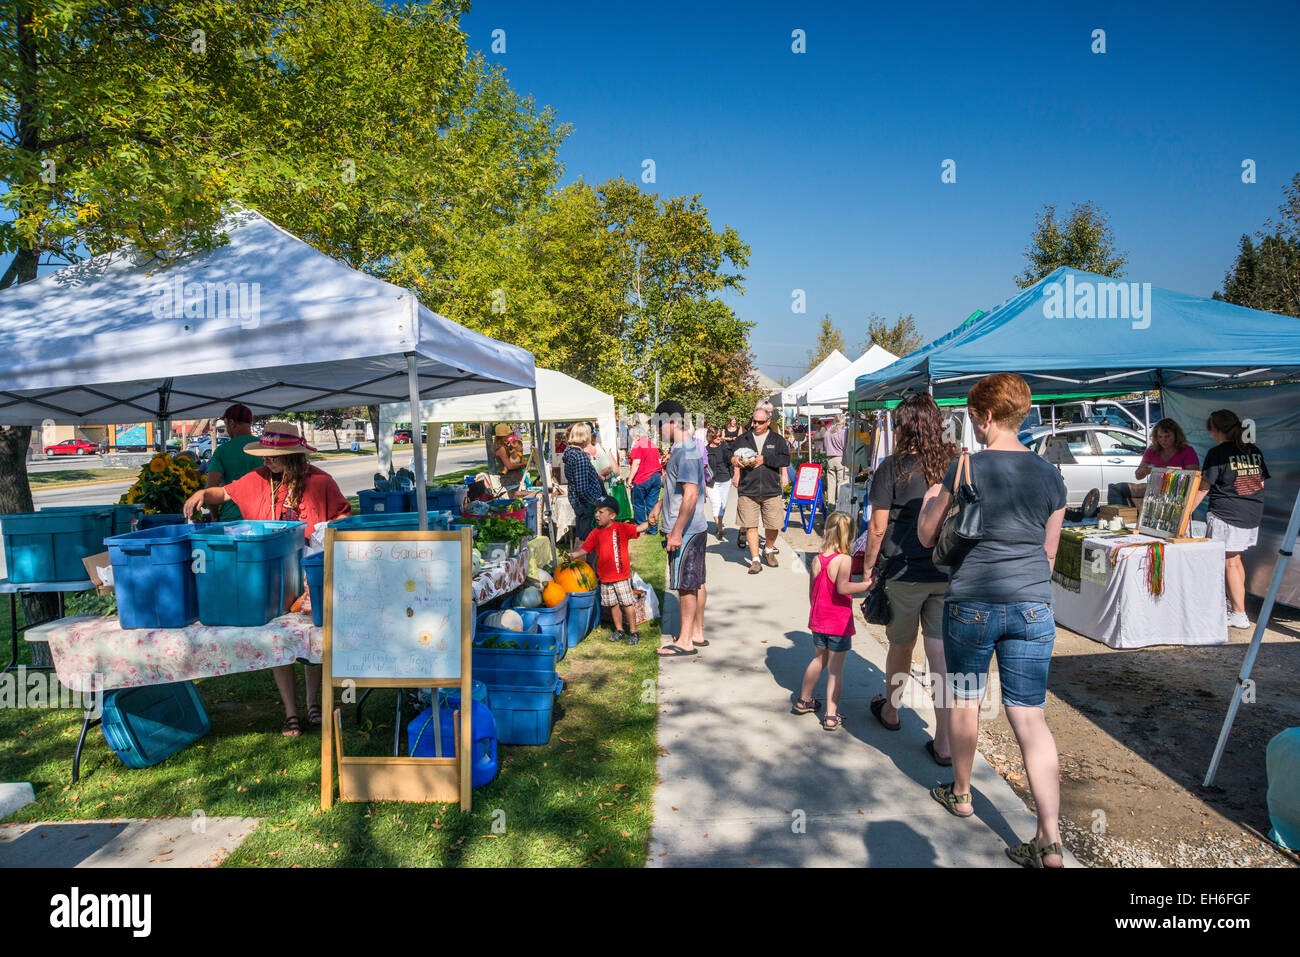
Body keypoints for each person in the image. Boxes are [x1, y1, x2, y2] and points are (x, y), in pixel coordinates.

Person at [917, 373, 1067, 869]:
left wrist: (938, 498)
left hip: (973, 599)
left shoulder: (966, 467)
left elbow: (926, 535)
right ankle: (1049, 839)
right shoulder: (1050, 474)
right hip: (1032, 604)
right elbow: (1049, 553)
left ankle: (961, 792)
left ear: (982, 416)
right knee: (1030, 718)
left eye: (973, 417)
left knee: (964, 700)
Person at [182, 421, 351, 738]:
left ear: (293, 456)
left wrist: (326, 533)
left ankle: (313, 703)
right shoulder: (258, 479)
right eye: (265, 455)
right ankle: (290, 712)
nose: (266, 461)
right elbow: (226, 492)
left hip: (308, 573)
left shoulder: (321, 482)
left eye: (273, 456)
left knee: (310, 638)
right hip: (270, 575)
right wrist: (204, 492)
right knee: (278, 641)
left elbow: (343, 517)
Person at [860, 393, 958, 763]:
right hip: (947, 570)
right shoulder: (954, 463)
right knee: (940, 655)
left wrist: (869, 567)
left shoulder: (893, 467)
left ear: (905, 426)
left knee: (901, 646)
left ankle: (892, 710)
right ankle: (945, 741)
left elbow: (878, 527)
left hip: (903, 570)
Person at [793, 511, 874, 731]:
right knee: (836, 670)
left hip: (819, 620)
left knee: (819, 659)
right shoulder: (844, 560)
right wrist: (867, 585)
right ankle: (831, 714)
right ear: (849, 535)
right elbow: (842, 588)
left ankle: (804, 699)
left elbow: (812, 593)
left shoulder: (818, 559)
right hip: (838, 622)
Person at [1192, 409, 1270, 630]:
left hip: (1227, 514)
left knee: (1230, 562)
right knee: (1235, 560)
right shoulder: (1253, 450)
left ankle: (1238, 613)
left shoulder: (1217, 453)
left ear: (1216, 430)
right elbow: (1261, 483)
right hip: (1251, 512)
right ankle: (1236, 605)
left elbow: (1203, 488)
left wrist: (1185, 512)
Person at [648, 399, 709, 658]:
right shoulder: (688, 448)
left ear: (670, 422)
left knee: (686, 584)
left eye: (658, 426)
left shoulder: (685, 451)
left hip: (686, 531)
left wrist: (676, 531)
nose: (657, 431)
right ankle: (694, 632)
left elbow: (691, 495)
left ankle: (685, 641)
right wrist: (661, 503)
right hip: (693, 528)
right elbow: (681, 489)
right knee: (695, 582)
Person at [570, 496, 650, 644]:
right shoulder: (595, 533)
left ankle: (633, 631)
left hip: (621, 576)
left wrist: (649, 523)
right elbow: (586, 548)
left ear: (612, 516)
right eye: (596, 512)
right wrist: (573, 555)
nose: (596, 515)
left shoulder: (621, 528)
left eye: (601, 512)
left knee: (627, 604)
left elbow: (638, 528)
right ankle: (619, 630)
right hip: (605, 577)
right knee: (613, 605)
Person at [730, 406, 791, 573]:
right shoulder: (743, 438)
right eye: (754, 421)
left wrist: (765, 459)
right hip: (748, 489)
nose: (756, 424)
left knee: (773, 524)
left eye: (760, 422)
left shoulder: (777, 440)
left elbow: (785, 459)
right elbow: (731, 455)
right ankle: (755, 559)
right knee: (750, 525)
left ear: (768, 422)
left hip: (771, 489)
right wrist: (735, 461)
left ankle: (769, 549)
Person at [204, 403, 260, 521]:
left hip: (232, 519)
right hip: (265, 516)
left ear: (232, 423)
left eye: (226, 424)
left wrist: (214, 515)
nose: (227, 429)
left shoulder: (222, 451)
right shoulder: (266, 447)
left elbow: (210, 489)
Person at [561, 421, 604, 543]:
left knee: (581, 538)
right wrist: (596, 502)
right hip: (586, 504)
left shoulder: (572, 453)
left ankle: (578, 561)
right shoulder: (579, 456)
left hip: (581, 503)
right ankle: (580, 562)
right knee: (585, 541)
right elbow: (582, 488)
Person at [627, 426, 662, 534]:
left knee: (638, 504)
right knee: (652, 504)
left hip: (642, 478)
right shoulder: (652, 444)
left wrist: (630, 478)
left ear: (636, 436)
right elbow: (659, 460)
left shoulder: (638, 445)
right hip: (655, 477)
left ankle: (641, 528)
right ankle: (653, 528)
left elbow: (636, 463)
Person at [705, 427, 732, 541]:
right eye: (716, 436)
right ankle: (719, 528)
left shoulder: (725, 447)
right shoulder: (705, 450)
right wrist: (704, 485)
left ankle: (719, 524)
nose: (719, 438)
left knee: (723, 505)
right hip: (712, 481)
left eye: (720, 436)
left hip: (725, 479)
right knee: (717, 504)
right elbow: (703, 467)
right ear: (711, 437)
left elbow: (731, 461)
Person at [818, 413, 849, 509]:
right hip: (841, 459)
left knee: (831, 486)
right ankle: (840, 508)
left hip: (830, 459)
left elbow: (825, 447)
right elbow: (846, 447)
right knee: (842, 484)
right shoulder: (844, 432)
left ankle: (831, 508)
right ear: (843, 422)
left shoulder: (828, 432)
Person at [493, 424, 527, 496]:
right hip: (510, 480)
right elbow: (509, 466)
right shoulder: (501, 448)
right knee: (514, 502)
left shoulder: (505, 445)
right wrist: (523, 464)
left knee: (518, 501)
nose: (509, 436)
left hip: (514, 479)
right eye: (508, 434)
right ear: (503, 436)